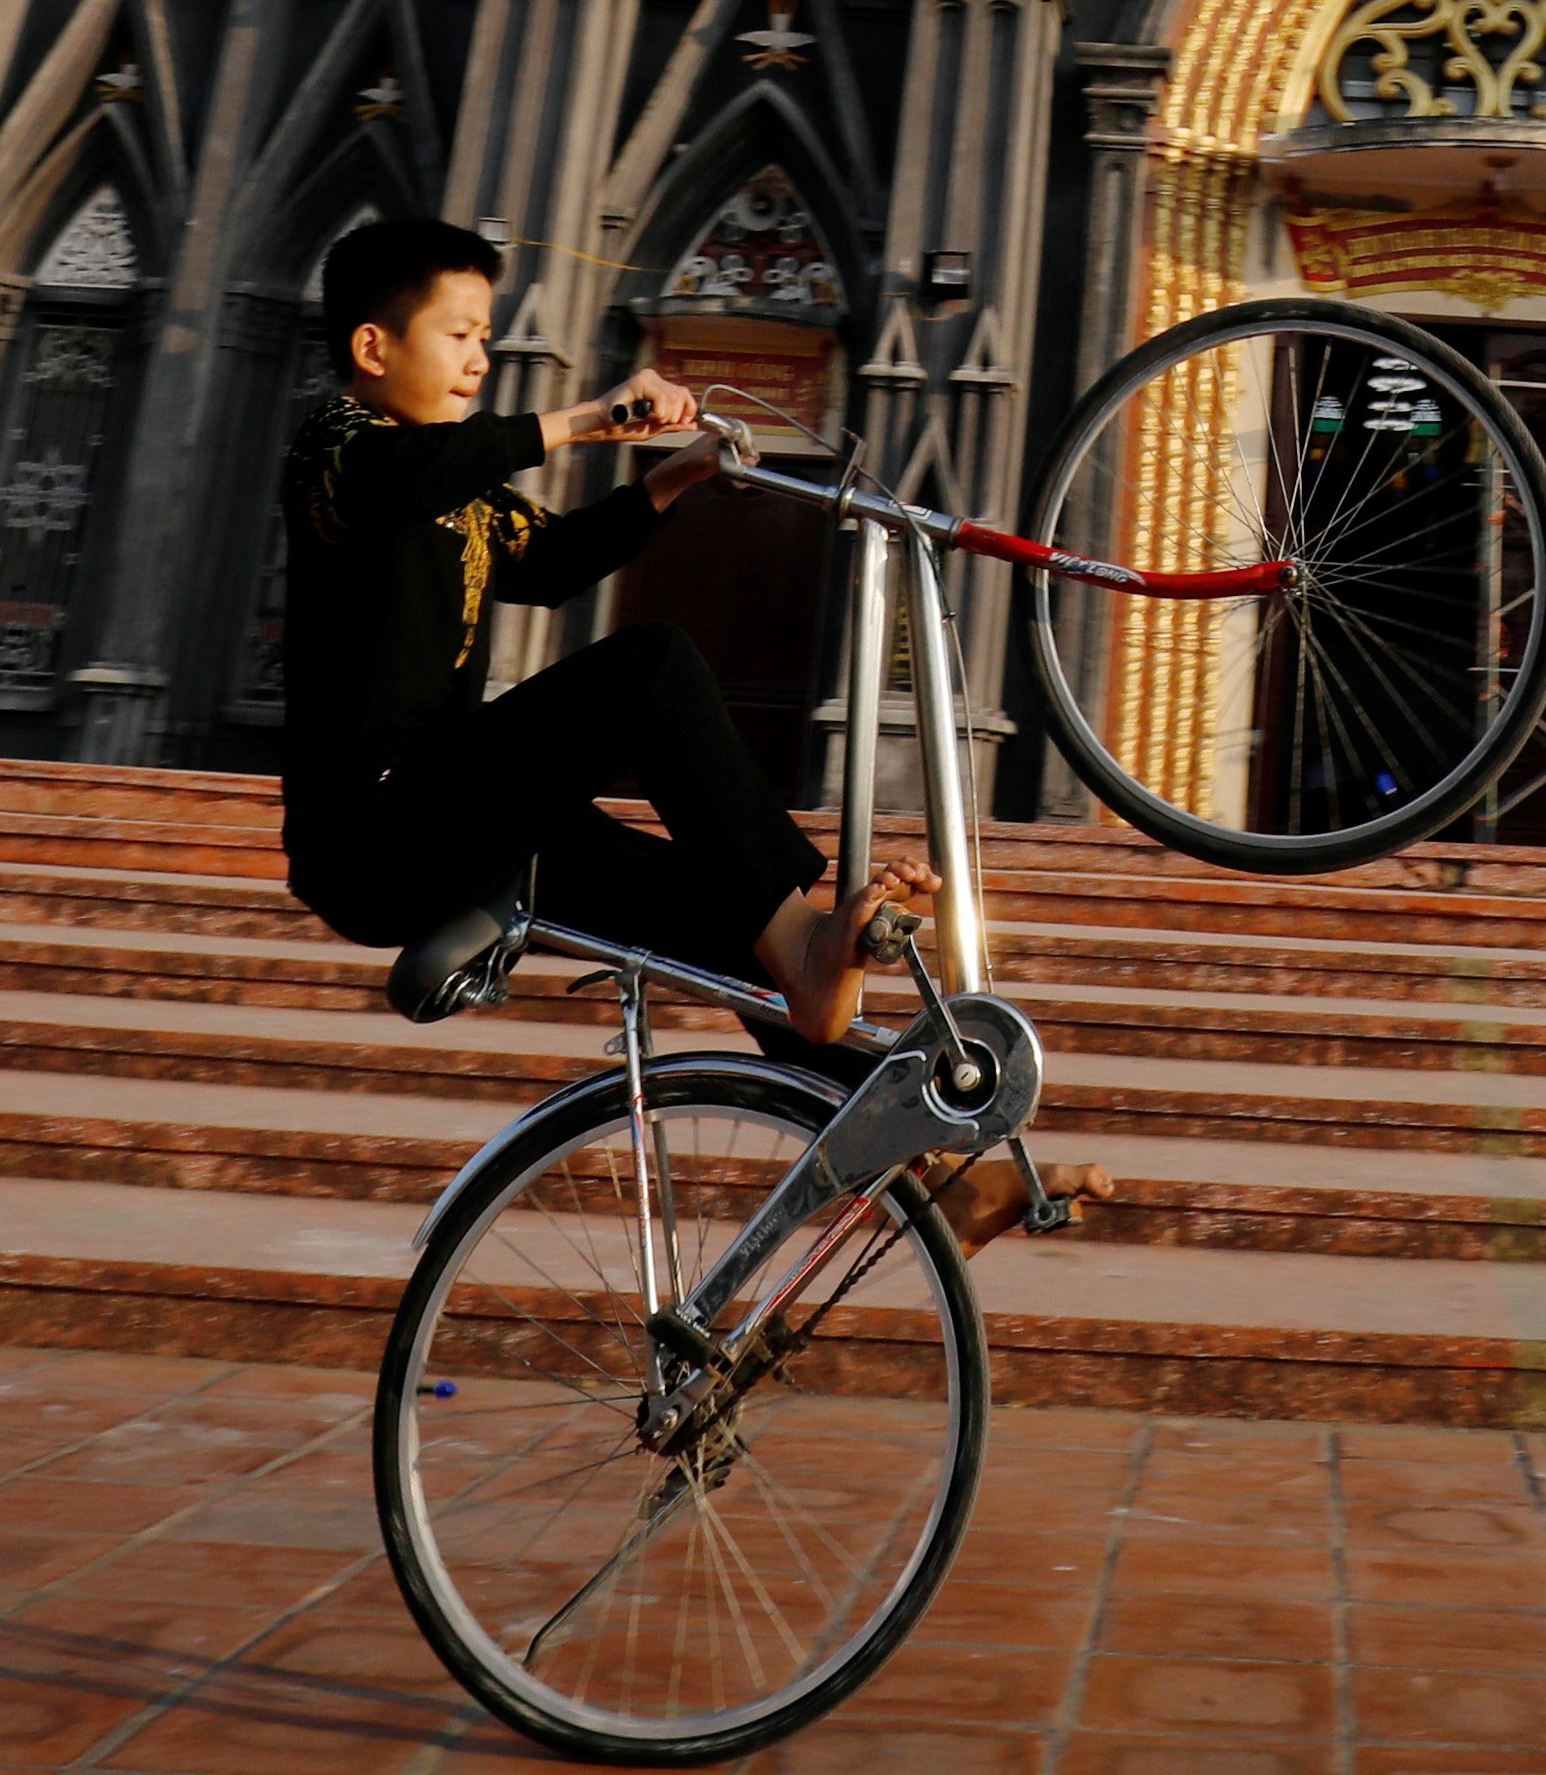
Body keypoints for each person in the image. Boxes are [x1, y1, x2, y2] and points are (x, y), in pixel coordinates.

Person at [275, 213, 1056, 1243]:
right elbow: (415, 480)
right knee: (652, 665)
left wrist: (670, 479)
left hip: (462, 811)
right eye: (459, 334)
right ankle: (809, 942)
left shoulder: (453, 488)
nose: (480, 358)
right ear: (374, 348)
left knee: (718, 920)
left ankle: (939, 1175)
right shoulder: (340, 451)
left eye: (485, 337)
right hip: (375, 834)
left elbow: (546, 561)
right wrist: (588, 421)